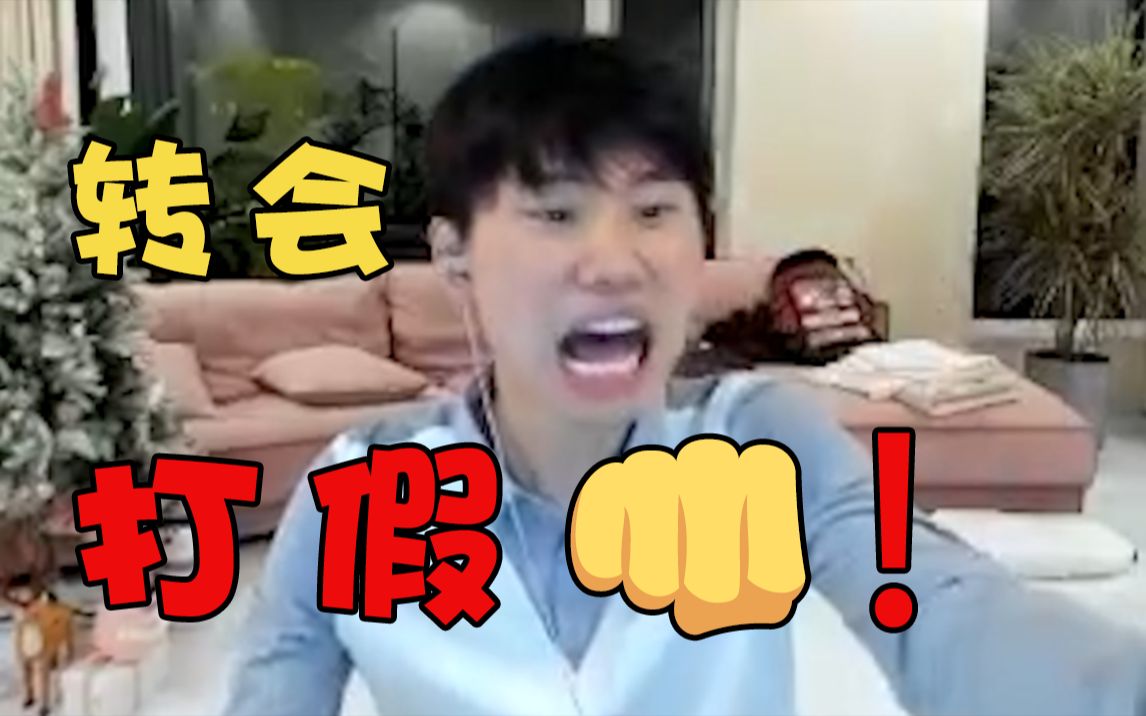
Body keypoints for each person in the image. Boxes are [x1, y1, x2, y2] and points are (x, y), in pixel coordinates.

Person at [224, 35, 1146, 716]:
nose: (614, 262)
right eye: (556, 213)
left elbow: (945, 609)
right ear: (455, 254)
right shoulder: (357, 493)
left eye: (654, 210)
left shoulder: (760, 437)